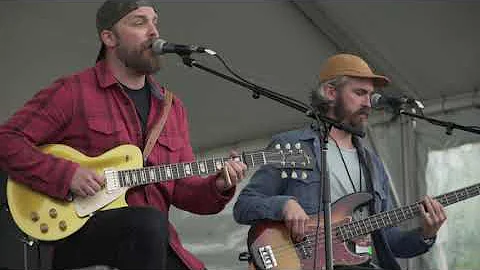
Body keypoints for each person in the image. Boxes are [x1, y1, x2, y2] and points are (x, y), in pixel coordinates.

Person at [0, 1, 247, 269]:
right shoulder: (73, 92)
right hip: (79, 234)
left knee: (160, 234)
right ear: (109, 37)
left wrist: (219, 185)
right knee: (148, 223)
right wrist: (66, 175)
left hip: (151, 242)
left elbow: (185, 190)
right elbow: (7, 140)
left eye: (155, 22)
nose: (153, 32)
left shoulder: (172, 108)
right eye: (139, 22)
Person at [233, 54, 446, 270]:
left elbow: (389, 241)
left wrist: (426, 234)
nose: (368, 103)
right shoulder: (292, 145)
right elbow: (244, 206)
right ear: (330, 92)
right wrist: (283, 205)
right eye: (359, 93)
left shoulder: (373, 164)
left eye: (371, 95)